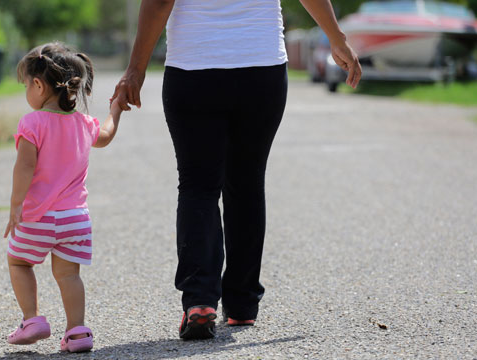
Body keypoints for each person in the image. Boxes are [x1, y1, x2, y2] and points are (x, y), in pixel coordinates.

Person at [112, 0, 362, 340]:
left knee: (198, 186)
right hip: (261, 69)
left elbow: (159, 2)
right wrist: (336, 37)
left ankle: (199, 301)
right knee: (246, 182)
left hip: (194, 68)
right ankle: (242, 304)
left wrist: (136, 69)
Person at [3, 42, 123, 352]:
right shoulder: (84, 124)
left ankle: (32, 320)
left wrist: (16, 205)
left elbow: (25, 167)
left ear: (39, 85)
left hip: (37, 217)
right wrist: (115, 110)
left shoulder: (32, 123)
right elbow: (106, 135)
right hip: (75, 220)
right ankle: (77, 332)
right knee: (69, 274)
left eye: (26, 85)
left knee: (18, 262)